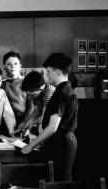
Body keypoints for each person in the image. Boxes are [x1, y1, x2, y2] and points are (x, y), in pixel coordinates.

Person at [21, 53, 78, 181]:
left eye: (48, 71)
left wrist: (31, 145)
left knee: (60, 184)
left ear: (57, 71)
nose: (46, 75)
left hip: (63, 143)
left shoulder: (62, 92)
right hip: (62, 141)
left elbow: (53, 127)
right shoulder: (64, 89)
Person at [13, 71, 55, 138]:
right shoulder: (36, 93)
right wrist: (24, 125)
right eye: (29, 95)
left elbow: (44, 117)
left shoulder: (48, 92)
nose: (31, 98)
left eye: (32, 95)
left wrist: (29, 124)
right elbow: (36, 111)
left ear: (41, 88)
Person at [1, 51, 32, 135]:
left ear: (20, 66)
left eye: (15, 64)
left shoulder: (27, 82)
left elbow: (31, 107)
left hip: (23, 119)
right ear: (4, 67)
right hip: (5, 121)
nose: (13, 66)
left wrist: (24, 124)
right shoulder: (2, 84)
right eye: (9, 64)